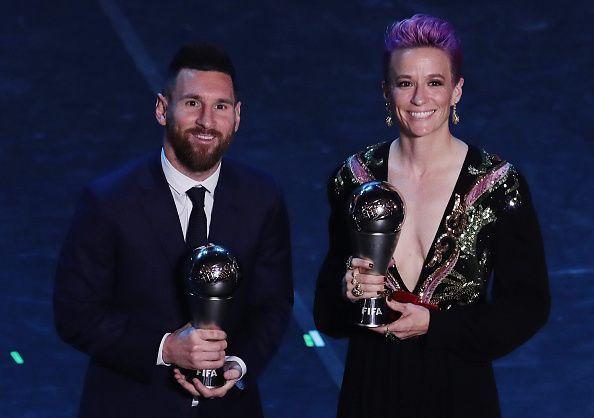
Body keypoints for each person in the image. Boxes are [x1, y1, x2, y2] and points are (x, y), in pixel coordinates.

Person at [314, 14, 550, 418]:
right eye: (406, 83)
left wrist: (435, 327)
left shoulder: (497, 185)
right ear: (386, 91)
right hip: (370, 388)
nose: (420, 98)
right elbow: (329, 317)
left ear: (456, 90)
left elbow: (528, 306)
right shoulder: (354, 179)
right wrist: (347, 291)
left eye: (435, 83)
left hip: (459, 390)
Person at [54, 42, 293, 418]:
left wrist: (237, 365)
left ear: (238, 115)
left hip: (230, 409)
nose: (207, 122)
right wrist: (166, 348)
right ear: (163, 109)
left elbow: (273, 305)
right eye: (192, 103)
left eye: (221, 107)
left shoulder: (262, 197)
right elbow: (75, 314)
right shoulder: (109, 201)